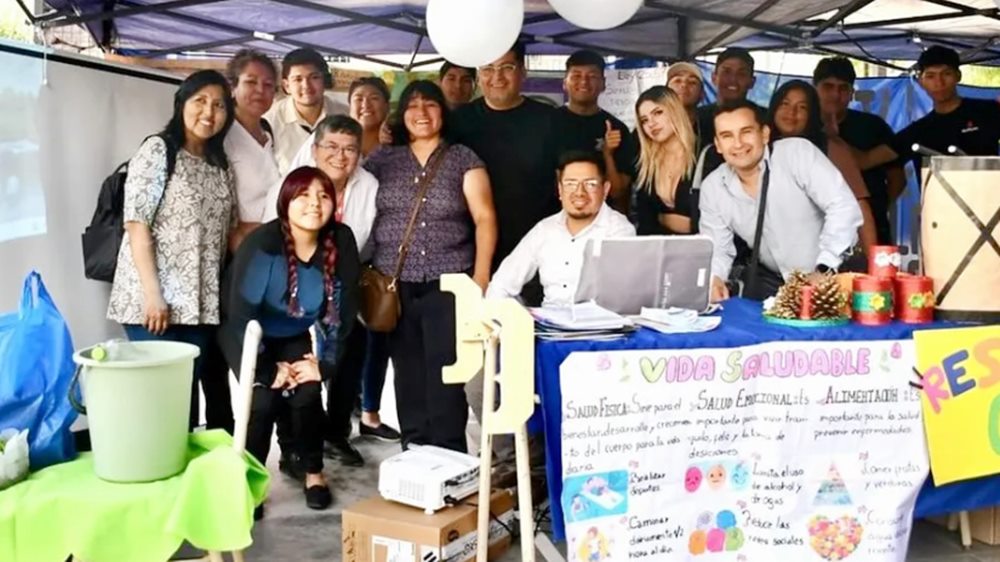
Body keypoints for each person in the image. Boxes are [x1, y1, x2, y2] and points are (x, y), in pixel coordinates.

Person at [219, 166, 360, 517]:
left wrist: (324, 364)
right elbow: (240, 316)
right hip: (247, 335)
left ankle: (313, 472)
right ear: (285, 202)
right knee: (262, 402)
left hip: (293, 331)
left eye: (323, 196)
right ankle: (249, 483)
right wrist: (268, 370)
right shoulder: (263, 244)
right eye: (303, 195)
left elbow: (341, 311)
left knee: (308, 394)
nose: (314, 203)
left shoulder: (340, 239)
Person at [366, 80, 497, 452]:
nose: (421, 113)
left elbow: (484, 217)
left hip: (450, 282)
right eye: (412, 105)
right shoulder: (383, 159)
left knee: (447, 371)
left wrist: (481, 277)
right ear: (401, 114)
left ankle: (450, 451)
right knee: (406, 370)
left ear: (443, 111)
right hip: (394, 283)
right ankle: (415, 449)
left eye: (430, 104)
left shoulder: (462, 158)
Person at [107, 70, 237, 430]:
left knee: (184, 397)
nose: (209, 112)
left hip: (200, 305)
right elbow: (137, 224)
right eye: (200, 101)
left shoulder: (220, 165)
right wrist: (153, 294)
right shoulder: (158, 151)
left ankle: (182, 462)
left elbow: (228, 231)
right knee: (162, 400)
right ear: (181, 104)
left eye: (219, 105)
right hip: (154, 303)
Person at [263, 115, 388, 468]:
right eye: (331, 147)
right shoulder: (291, 184)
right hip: (293, 285)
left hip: (344, 281)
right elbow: (269, 237)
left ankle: (335, 434)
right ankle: (293, 442)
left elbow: (369, 238)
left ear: (360, 153)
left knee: (349, 353)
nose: (340, 156)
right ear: (316, 150)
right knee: (295, 358)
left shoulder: (369, 185)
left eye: (349, 149)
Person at [699, 101, 863, 302]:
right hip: (773, 287)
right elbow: (718, 248)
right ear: (718, 145)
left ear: (765, 134)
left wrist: (824, 268)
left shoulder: (797, 154)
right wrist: (715, 279)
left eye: (746, 132)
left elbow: (842, 206)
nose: (738, 143)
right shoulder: (713, 187)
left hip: (833, 276)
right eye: (727, 136)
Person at [199, 49, 280, 434]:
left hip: (269, 258)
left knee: (265, 349)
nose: (260, 90)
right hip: (234, 259)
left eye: (268, 84)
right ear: (233, 86)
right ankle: (223, 434)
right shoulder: (221, 136)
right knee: (222, 355)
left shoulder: (268, 133)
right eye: (251, 82)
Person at [451, 43, 560, 280]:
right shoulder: (458, 121)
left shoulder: (550, 120)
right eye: (488, 69)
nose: (497, 77)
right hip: (471, 250)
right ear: (479, 75)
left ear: (523, 71)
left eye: (507, 67)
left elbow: (568, 178)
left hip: (536, 249)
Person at [487, 150, 635, 306]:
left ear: (605, 190)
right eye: (570, 184)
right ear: (560, 190)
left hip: (599, 320)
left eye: (590, 184)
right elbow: (500, 285)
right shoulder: (545, 230)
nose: (579, 192)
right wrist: (516, 316)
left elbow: (625, 298)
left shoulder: (619, 231)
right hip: (549, 319)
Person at [767, 80, 878, 255]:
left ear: (811, 114)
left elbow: (859, 205)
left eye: (802, 107)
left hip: (822, 256)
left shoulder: (830, 148)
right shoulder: (760, 148)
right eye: (785, 104)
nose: (791, 112)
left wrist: (873, 261)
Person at [857, 46, 1000, 171]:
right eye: (931, 76)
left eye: (946, 74)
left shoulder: (987, 111)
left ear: (958, 76)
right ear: (921, 81)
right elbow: (866, 160)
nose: (939, 82)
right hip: (937, 195)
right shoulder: (918, 132)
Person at [813, 57, 906, 245]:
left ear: (852, 93)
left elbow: (898, 178)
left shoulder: (873, 126)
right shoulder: (803, 127)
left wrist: (877, 208)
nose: (835, 95)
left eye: (843, 88)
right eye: (828, 87)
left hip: (871, 227)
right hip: (817, 229)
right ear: (814, 89)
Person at [552, 50, 636, 212]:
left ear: (603, 84)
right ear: (564, 83)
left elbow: (618, 192)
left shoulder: (617, 129)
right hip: (552, 218)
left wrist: (607, 154)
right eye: (576, 76)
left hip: (601, 219)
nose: (584, 82)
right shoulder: (546, 123)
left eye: (592, 76)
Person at [264, 48, 349, 174]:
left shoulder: (346, 115)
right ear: (286, 86)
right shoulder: (269, 122)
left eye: (314, 77)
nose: (306, 86)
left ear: (325, 80)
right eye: (298, 79)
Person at [633, 86, 698, 235]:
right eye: (644, 120)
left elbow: (712, 221)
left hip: (705, 247)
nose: (651, 123)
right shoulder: (646, 164)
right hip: (658, 247)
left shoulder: (704, 154)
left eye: (658, 113)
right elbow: (645, 223)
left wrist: (663, 218)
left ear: (675, 111)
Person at [696, 47, 760, 146]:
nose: (733, 79)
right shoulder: (697, 119)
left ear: (752, 82)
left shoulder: (763, 118)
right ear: (714, 78)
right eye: (726, 72)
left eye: (741, 74)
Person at [349, 77, 391, 158]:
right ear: (350, 106)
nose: (365, 105)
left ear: (387, 106)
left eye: (374, 98)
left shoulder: (399, 147)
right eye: (359, 99)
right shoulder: (337, 143)